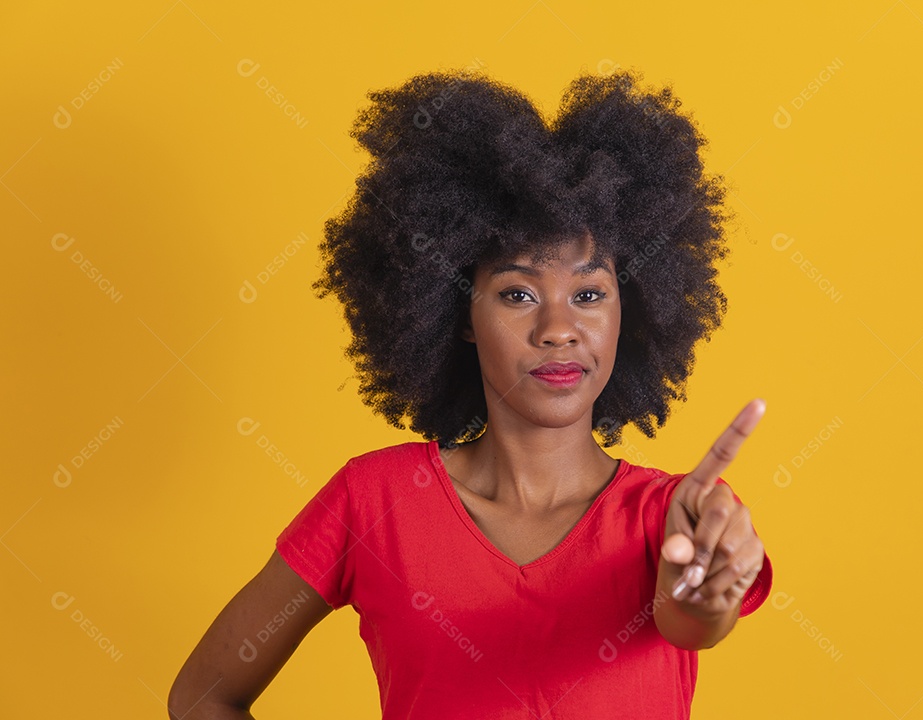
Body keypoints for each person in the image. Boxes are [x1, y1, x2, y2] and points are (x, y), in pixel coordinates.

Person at [169, 66, 773, 719]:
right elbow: (202, 697)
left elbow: (690, 620)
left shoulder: (675, 517)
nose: (558, 330)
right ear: (457, 312)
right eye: (518, 294)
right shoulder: (374, 503)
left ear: (634, 309)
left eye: (590, 293)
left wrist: (700, 592)